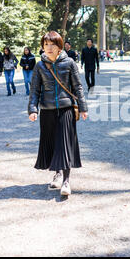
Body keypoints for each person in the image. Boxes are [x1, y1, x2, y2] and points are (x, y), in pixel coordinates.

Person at [28, 31, 88, 197]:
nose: (48, 48)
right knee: (53, 144)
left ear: (59, 47)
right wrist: (33, 109)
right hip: (47, 110)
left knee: (64, 144)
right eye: (45, 45)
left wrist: (83, 107)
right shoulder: (39, 65)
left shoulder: (69, 63)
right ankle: (58, 173)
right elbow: (34, 90)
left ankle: (66, 180)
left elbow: (78, 87)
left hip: (65, 109)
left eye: (52, 45)